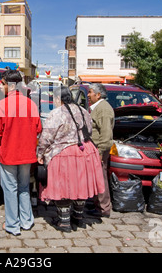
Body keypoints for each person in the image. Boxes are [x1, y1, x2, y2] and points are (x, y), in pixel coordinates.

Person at [37, 86, 105, 232]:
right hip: (85, 151)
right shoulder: (84, 111)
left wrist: (40, 153)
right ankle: (78, 217)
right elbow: (89, 131)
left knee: (64, 187)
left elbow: (47, 136)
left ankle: (64, 222)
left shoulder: (57, 113)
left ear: (57, 99)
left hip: (64, 153)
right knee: (80, 185)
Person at [0, 70, 42, 236]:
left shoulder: (1, 105)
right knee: (24, 186)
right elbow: (39, 128)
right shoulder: (31, 104)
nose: (1, 87)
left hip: (9, 153)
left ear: (9, 85)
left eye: (3, 84)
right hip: (27, 153)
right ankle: (26, 221)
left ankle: (13, 224)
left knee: (10, 189)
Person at [86, 83, 114, 218]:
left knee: (101, 178)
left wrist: (100, 151)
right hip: (95, 149)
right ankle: (97, 204)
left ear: (98, 95)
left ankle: (103, 208)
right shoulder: (98, 108)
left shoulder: (103, 109)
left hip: (99, 150)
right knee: (97, 178)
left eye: (90, 92)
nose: (88, 95)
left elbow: (106, 134)